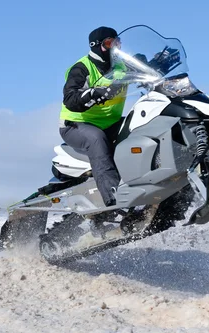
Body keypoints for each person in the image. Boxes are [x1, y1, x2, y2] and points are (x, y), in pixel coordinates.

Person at [59, 26, 127, 207]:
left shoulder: (121, 64)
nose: (115, 47)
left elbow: (144, 67)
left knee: (141, 125)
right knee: (96, 139)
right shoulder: (82, 68)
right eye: (109, 43)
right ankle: (113, 199)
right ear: (97, 46)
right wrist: (93, 93)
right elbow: (70, 99)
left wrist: (161, 60)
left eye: (117, 42)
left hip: (111, 123)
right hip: (77, 125)